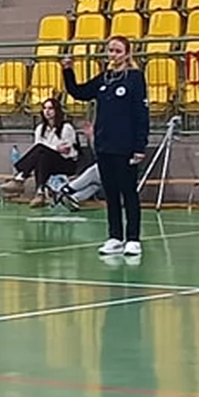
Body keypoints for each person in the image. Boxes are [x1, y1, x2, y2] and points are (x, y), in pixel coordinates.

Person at [62, 36, 149, 256]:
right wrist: (68, 71)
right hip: (104, 145)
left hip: (126, 146)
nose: (113, 55)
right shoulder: (104, 78)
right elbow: (79, 92)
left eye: (118, 51)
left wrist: (140, 146)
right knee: (110, 193)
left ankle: (133, 238)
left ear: (127, 54)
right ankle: (115, 237)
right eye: (110, 50)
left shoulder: (135, 78)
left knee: (128, 192)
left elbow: (141, 114)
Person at [0, 97, 80, 207]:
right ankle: (39, 193)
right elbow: (40, 150)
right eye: (45, 108)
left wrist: (52, 149)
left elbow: (66, 150)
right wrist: (55, 148)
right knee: (41, 157)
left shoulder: (66, 127)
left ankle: (20, 177)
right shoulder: (40, 128)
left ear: (57, 110)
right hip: (47, 161)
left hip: (66, 163)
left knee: (41, 151)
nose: (47, 111)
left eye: (50, 108)